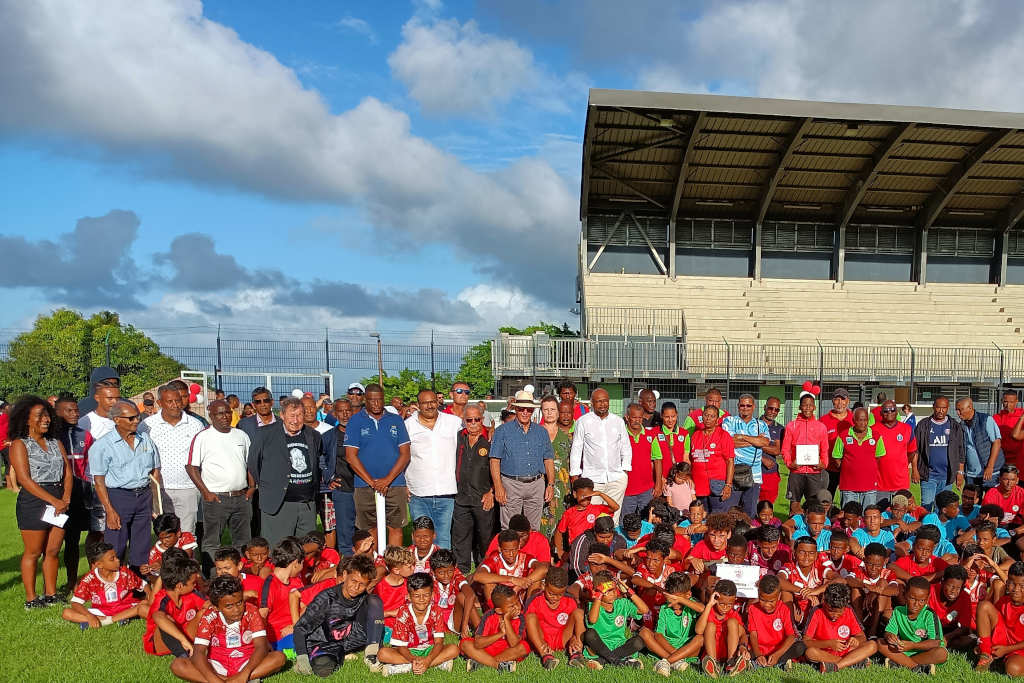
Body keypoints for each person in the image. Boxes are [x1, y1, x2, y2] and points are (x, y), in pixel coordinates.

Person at [9, 396, 72, 608]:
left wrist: (65, 499)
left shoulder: (56, 443)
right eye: (39, 416)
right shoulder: (19, 444)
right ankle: (31, 598)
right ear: (27, 419)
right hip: (34, 501)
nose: (45, 419)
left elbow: (67, 472)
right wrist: (54, 501)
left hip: (59, 498)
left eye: (47, 415)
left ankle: (51, 594)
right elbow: (24, 479)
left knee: (53, 550)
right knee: (33, 552)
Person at [90, 399, 162, 573]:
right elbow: (98, 481)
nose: (136, 420)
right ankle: (113, 585)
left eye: (137, 417)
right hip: (118, 497)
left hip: (144, 496)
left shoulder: (145, 439)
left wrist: (154, 502)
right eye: (131, 418)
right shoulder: (102, 446)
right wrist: (109, 510)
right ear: (116, 420)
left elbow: (155, 470)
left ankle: (138, 585)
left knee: (142, 544)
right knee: (116, 545)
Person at [172, 574, 286, 683]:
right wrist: (213, 679)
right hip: (217, 665)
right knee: (178, 665)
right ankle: (229, 680)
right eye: (229, 606)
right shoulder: (209, 616)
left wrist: (245, 673)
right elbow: (199, 652)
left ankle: (241, 678)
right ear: (216, 607)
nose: (236, 610)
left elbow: (261, 647)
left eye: (239, 602)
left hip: (247, 662)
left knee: (279, 657)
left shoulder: (252, 612)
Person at [185, 399, 256, 573]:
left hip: (241, 497)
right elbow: (191, 467)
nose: (224, 416)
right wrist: (206, 493)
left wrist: (252, 487)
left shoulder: (241, 435)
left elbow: (249, 464)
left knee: (243, 540)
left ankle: (241, 574)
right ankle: (211, 578)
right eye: (219, 413)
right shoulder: (203, 437)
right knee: (212, 541)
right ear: (211, 416)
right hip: (216, 498)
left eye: (227, 413)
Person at [292, 554, 384, 677]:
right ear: (345, 575)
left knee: (375, 601)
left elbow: (373, 618)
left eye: (362, 584)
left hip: (349, 639)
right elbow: (300, 628)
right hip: (324, 642)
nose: (356, 588)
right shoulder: (326, 598)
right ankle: (337, 655)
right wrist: (302, 657)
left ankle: (371, 654)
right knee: (323, 670)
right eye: (354, 581)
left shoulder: (364, 597)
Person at [247, 397, 322, 546]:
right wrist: (269, 484)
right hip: (279, 503)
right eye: (292, 416)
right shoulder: (265, 434)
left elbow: (315, 463)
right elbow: (254, 464)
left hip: (306, 503)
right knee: (279, 549)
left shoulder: (313, 435)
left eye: (299, 415)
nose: (296, 420)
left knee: (306, 550)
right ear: (282, 416)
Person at [344, 384, 411, 548]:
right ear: (365, 400)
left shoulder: (395, 420)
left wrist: (387, 480)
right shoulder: (355, 421)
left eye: (379, 400)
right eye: (372, 400)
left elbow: (405, 454)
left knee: (395, 527)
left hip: (394, 484)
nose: (376, 404)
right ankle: (375, 566)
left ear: (383, 399)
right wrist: (372, 482)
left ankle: (393, 565)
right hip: (364, 485)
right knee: (369, 528)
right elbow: (350, 456)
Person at [139, 384, 205, 535]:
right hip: (160, 489)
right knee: (165, 535)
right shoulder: (147, 425)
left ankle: (185, 560)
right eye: (170, 401)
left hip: (188, 488)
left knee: (187, 535)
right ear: (160, 403)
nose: (175, 405)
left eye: (178, 400)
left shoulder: (195, 425)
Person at [403, 388, 461, 550]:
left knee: (443, 538)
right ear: (418, 405)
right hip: (418, 492)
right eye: (425, 403)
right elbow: (399, 456)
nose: (429, 406)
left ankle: (442, 573)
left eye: (432, 402)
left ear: (437, 402)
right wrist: (403, 484)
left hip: (446, 491)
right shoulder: (407, 426)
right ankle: (421, 573)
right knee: (422, 539)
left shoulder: (453, 423)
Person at [489, 389, 555, 530]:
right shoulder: (502, 431)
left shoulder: (541, 432)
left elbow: (548, 459)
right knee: (509, 528)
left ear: (532, 411)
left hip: (536, 484)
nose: (525, 412)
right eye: (521, 409)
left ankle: (530, 552)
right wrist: (499, 486)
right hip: (511, 483)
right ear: (515, 409)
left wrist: (550, 484)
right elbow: (494, 460)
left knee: (534, 528)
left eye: (529, 409)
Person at [376, 572, 460, 675]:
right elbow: (401, 646)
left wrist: (428, 660)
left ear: (432, 595)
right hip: (408, 651)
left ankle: (404, 667)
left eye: (426, 595)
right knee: (382, 653)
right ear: (409, 597)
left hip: (430, 650)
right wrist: (413, 659)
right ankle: (437, 664)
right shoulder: (403, 612)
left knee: (454, 649)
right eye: (416, 596)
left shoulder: (436, 611)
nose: (421, 599)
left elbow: (438, 642)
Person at [569, 388, 631, 524]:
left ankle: (611, 544)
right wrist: (574, 475)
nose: (602, 404)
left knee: (613, 516)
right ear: (591, 403)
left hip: (616, 478)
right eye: (598, 401)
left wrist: (625, 471)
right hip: (593, 479)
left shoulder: (618, 421)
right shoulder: (583, 421)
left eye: (605, 401)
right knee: (591, 517)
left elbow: (625, 446)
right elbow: (576, 449)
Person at [53, 394, 94, 591]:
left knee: (74, 539)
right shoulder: (51, 437)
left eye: (76, 410)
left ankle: (72, 581)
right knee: (52, 542)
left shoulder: (84, 435)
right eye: (69, 410)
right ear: (57, 412)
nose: (75, 413)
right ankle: (49, 586)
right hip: (55, 493)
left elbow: (89, 464)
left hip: (80, 494)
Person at [452, 403, 497, 575]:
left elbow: (498, 467)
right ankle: (461, 572)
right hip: (461, 497)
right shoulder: (458, 437)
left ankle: (483, 569)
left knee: (484, 537)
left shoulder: (491, 439)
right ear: (464, 421)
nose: (472, 423)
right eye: (468, 420)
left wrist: (491, 491)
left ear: (482, 419)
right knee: (460, 536)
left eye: (476, 419)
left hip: (483, 496)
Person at [63, 540, 148, 628]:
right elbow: (75, 603)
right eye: (112, 559)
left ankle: (106, 621)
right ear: (99, 564)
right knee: (67, 613)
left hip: (126, 607)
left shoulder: (124, 572)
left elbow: (144, 585)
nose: (117, 560)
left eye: (116, 557)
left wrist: (151, 598)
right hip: (102, 611)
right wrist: (89, 616)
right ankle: (118, 619)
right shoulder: (89, 579)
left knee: (144, 604)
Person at [876, 575, 948, 673]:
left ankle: (900, 663)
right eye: (912, 598)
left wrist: (913, 645)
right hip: (904, 649)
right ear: (904, 594)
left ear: (927, 599)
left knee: (941, 653)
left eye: (921, 600)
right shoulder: (898, 611)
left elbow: (935, 642)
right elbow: (888, 632)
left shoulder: (930, 615)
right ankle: (916, 667)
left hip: (924, 651)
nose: (916, 604)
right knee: (880, 643)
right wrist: (890, 637)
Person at [803, 582, 878, 672]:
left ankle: (836, 666)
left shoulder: (848, 610)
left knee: (872, 645)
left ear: (845, 607)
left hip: (847, 652)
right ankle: (852, 663)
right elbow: (806, 642)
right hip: (825, 653)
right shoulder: (817, 612)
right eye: (831, 610)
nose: (835, 615)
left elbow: (862, 637)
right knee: (810, 652)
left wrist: (856, 640)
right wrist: (829, 644)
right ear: (824, 602)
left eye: (839, 612)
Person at [583, 572, 649, 669]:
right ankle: (620, 662)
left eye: (614, 590)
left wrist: (629, 592)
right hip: (600, 645)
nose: (613, 594)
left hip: (619, 645)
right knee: (589, 634)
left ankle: (603, 660)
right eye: (607, 591)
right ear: (598, 592)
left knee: (639, 642)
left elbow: (645, 610)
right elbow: (592, 620)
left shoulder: (622, 603)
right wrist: (598, 597)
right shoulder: (593, 606)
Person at [461, 584, 530, 672]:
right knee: (465, 643)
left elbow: (514, 644)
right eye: (511, 606)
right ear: (499, 610)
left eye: (517, 602)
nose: (517, 607)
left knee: (524, 647)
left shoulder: (520, 618)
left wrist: (507, 621)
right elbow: (478, 643)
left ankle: (482, 662)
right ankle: (497, 665)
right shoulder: (489, 616)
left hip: (507, 650)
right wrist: (500, 633)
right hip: (488, 648)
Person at [913, 396, 966, 511]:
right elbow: (915, 449)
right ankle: (927, 528)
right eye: (938, 407)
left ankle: (940, 529)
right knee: (926, 507)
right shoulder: (923, 425)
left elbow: (961, 450)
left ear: (948, 408)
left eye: (944, 408)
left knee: (943, 508)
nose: (940, 411)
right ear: (933, 407)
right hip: (928, 475)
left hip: (947, 476)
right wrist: (915, 470)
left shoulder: (955, 426)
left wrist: (960, 472)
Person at [721, 394, 770, 517]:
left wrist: (742, 437)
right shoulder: (729, 421)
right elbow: (728, 443)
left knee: (750, 513)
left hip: (754, 475)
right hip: (733, 473)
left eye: (748, 405)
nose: (745, 408)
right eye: (742, 405)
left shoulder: (761, 424)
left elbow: (764, 442)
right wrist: (754, 441)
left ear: (754, 407)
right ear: (738, 406)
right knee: (730, 512)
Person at [300, 395, 338, 550]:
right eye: (305, 408)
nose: (309, 411)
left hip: (325, 487)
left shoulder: (328, 430)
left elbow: (333, 458)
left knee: (329, 525)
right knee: (307, 526)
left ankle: (330, 557)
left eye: (311, 407)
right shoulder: (296, 431)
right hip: (305, 488)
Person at [782, 392, 829, 505]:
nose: (807, 408)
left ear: (814, 407)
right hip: (797, 472)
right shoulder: (791, 426)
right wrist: (789, 464)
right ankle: (794, 522)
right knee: (794, 505)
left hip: (815, 472)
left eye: (810, 405)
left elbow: (824, 449)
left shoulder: (821, 427)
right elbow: (785, 448)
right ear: (799, 407)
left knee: (814, 505)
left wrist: (823, 464)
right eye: (804, 405)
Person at [687, 405, 736, 514]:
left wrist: (728, 485)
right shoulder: (695, 435)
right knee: (701, 517)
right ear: (702, 417)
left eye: (712, 416)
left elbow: (730, 461)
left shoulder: (724, 435)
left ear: (717, 420)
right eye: (706, 415)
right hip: (699, 486)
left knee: (717, 517)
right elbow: (691, 459)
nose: (708, 418)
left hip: (717, 486)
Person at [832, 407, 884, 508]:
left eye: (865, 420)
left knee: (868, 517)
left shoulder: (876, 436)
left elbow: (878, 457)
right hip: (848, 486)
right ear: (853, 420)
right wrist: (848, 469)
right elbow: (837, 457)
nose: (863, 423)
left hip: (869, 485)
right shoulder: (843, 435)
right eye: (860, 420)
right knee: (849, 517)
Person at [621, 403, 664, 516]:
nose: (637, 420)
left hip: (646, 490)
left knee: (647, 520)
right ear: (627, 417)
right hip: (626, 489)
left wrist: (658, 484)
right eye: (634, 417)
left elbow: (657, 459)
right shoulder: (620, 436)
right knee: (626, 521)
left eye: (639, 417)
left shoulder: (650, 436)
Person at [326, 397, 356, 556]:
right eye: (341, 411)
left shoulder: (362, 433)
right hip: (342, 489)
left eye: (348, 411)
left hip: (363, 488)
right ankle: (347, 566)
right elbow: (320, 459)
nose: (345, 415)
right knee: (345, 533)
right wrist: (328, 479)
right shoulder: (329, 436)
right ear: (335, 414)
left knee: (365, 531)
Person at [539, 395, 573, 537]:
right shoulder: (535, 433)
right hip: (541, 485)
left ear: (558, 412)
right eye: (546, 410)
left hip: (563, 487)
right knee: (543, 521)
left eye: (552, 409)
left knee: (561, 521)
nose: (549, 413)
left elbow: (571, 463)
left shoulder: (567, 437)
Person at [873, 398, 918, 498]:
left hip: (900, 483)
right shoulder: (873, 430)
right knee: (879, 513)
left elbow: (912, 452)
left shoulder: (907, 429)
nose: (889, 412)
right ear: (881, 413)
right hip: (879, 484)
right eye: (886, 410)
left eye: (892, 410)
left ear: (896, 412)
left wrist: (904, 465)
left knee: (900, 512)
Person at [958, 397, 1003, 489]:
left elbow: (997, 443)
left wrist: (990, 467)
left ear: (970, 407)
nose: (958, 413)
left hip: (990, 472)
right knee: (971, 501)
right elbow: (961, 450)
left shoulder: (986, 420)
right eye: (956, 410)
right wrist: (961, 472)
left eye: (960, 410)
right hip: (971, 474)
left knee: (990, 501)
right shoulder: (961, 425)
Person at [819, 388, 854, 496]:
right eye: (837, 399)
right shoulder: (823, 420)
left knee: (849, 500)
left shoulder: (855, 419)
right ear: (832, 401)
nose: (840, 403)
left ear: (848, 401)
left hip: (849, 467)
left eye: (843, 399)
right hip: (829, 468)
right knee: (826, 498)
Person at [758, 397, 784, 505]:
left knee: (768, 506)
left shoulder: (780, 429)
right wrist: (762, 458)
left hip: (770, 472)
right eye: (770, 408)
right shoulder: (752, 424)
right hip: (753, 471)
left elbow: (777, 451)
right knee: (751, 505)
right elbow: (743, 447)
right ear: (764, 407)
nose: (773, 412)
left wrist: (757, 443)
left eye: (776, 410)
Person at [997, 390, 1024, 469]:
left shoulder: (1022, 416)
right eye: (1005, 402)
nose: (1008, 405)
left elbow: (1016, 435)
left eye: (1011, 402)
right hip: (1002, 460)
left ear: (1016, 402)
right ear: (1002, 401)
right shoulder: (996, 418)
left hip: (1020, 460)